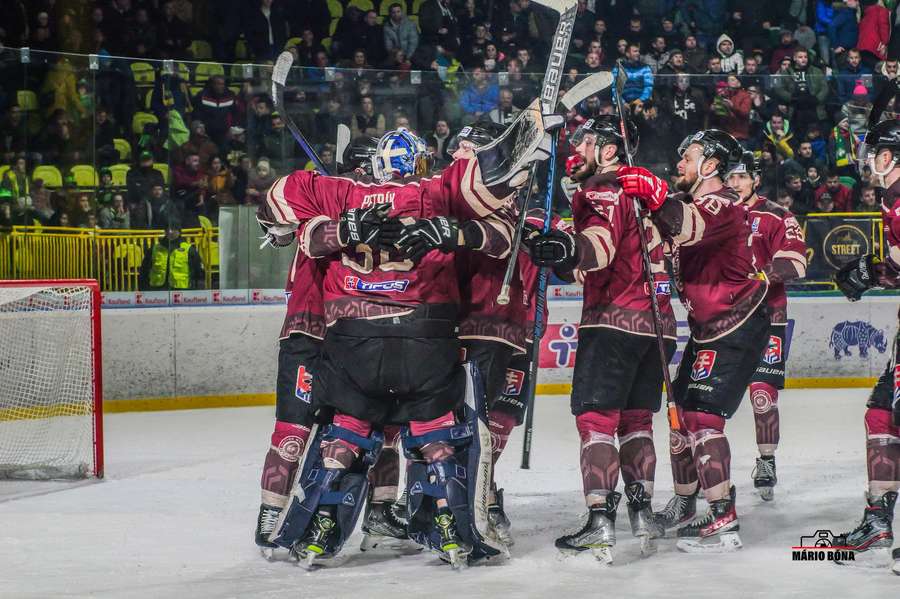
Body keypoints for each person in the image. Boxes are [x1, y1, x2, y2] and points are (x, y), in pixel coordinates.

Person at [255, 124, 555, 567]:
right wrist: (533, 132)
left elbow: (277, 202)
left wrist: (338, 227)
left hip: (351, 337)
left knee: (348, 429)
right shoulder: (434, 191)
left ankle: (319, 527)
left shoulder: (339, 191)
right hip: (424, 334)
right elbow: (497, 200)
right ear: (420, 163)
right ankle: (450, 526)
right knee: (434, 430)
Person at [528, 116, 676, 562]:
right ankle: (643, 513)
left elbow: (599, 248)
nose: (577, 151)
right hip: (658, 326)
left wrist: (568, 250)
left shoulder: (600, 190)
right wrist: (566, 257)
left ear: (610, 151)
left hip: (612, 321)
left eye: (587, 143)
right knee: (636, 422)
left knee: (596, 422)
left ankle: (599, 522)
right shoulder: (645, 195)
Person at [618, 129, 770, 552]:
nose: (680, 163)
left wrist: (652, 193)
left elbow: (685, 226)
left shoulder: (721, 202)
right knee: (681, 417)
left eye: (689, 156)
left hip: (738, 323)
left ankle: (722, 515)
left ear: (711, 165)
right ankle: (687, 502)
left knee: (703, 418)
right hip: (708, 329)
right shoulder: (689, 202)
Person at [833, 118, 900, 573]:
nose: (868, 159)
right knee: (881, 413)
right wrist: (875, 271)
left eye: (876, 151)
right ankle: (878, 518)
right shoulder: (891, 201)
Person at [726, 152, 807, 501]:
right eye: (729, 177)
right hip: (721, 320)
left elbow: (795, 262)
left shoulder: (776, 215)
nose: (734, 184)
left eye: (741, 177)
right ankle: (702, 470)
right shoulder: (713, 213)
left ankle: (767, 459)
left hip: (767, 315)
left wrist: (758, 279)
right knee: (701, 402)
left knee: (761, 395)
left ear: (756, 179)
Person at [139, 219, 205, 291]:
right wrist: (143, 290)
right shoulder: (154, 249)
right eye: (168, 229)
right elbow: (144, 271)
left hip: (182, 291)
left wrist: (197, 290)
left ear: (179, 231)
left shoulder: (189, 250)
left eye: (173, 229)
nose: (170, 231)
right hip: (157, 291)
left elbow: (198, 272)